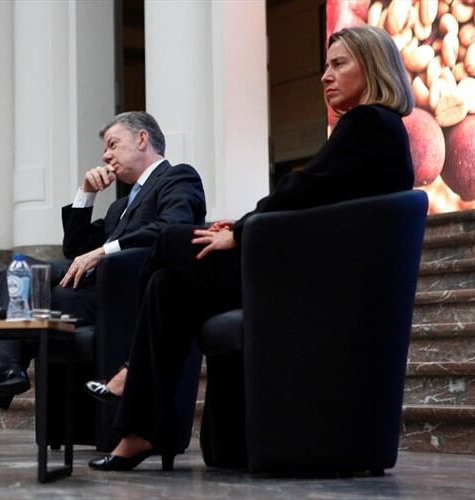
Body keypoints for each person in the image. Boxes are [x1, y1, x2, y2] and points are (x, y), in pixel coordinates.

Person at [88, 24, 415, 471]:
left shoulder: (368, 122)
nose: (325, 76)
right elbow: (311, 198)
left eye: (338, 64)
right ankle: (140, 432)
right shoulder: (379, 129)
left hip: (312, 276)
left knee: (168, 241)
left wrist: (239, 232)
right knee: (168, 287)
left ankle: (134, 378)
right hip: (313, 266)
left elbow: (301, 188)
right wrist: (241, 227)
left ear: (374, 67)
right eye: (325, 66)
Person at [0, 111, 207, 457]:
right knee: (21, 288)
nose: (105, 156)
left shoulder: (178, 177)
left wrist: (104, 251)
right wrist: (84, 194)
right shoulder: (120, 207)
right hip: (98, 296)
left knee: (21, 293)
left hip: (135, 300)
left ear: (143, 139)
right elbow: (75, 250)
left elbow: (174, 227)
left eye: (113, 145)